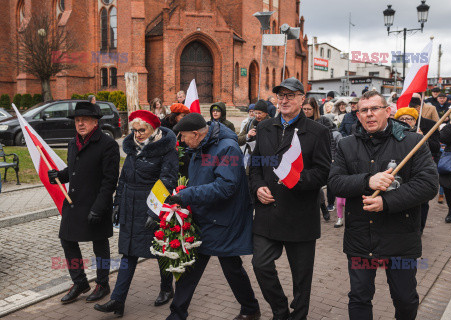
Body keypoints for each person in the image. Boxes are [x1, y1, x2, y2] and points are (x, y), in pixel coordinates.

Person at [328, 91, 438, 320]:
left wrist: (386, 202)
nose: (369, 115)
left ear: (388, 111)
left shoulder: (412, 142)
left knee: (405, 299)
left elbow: (428, 185)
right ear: (357, 115)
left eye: (374, 109)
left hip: (400, 238)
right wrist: (367, 180)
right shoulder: (347, 145)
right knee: (359, 298)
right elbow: (335, 183)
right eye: (363, 110)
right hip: (361, 238)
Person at [165, 113, 261, 320]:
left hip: (223, 220)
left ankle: (250, 308)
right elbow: (200, 179)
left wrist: (187, 195)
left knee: (231, 268)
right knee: (190, 268)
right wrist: (184, 191)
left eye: (183, 136)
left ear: (196, 134)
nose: (181, 141)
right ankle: (177, 313)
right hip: (204, 216)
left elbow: (226, 187)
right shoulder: (200, 146)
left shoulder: (227, 148)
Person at [250, 77, 331, 320]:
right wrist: (258, 187)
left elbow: (324, 172)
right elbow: (254, 166)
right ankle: (280, 311)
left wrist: (297, 180)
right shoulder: (264, 127)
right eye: (280, 96)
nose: (284, 100)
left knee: (301, 279)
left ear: (301, 99)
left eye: (290, 95)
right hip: (268, 214)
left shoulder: (318, 132)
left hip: (300, 216)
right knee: (260, 264)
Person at [94, 110, 178, 316]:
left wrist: (154, 211)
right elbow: (123, 179)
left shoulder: (166, 150)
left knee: (159, 251)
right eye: (134, 130)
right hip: (130, 207)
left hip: (151, 206)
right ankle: (117, 300)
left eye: (142, 130)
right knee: (128, 253)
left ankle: (167, 288)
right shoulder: (132, 149)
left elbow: (167, 181)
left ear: (153, 129)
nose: (138, 134)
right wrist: (117, 205)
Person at [47, 102, 120, 304]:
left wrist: (99, 208)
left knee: (100, 245)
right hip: (73, 203)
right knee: (67, 240)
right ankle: (79, 282)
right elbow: (74, 170)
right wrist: (59, 176)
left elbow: (109, 181)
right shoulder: (73, 143)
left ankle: (103, 284)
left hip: (97, 204)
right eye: (77, 120)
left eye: (84, 120)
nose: (80, 124)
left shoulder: (108, 145)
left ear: (95, 122)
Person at [395, 107, 440, 233]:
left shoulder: (422, 135)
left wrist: (423, 139)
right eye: (402, 119)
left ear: (415, 121)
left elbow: (435, 148)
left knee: (422, 202)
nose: (406, 121)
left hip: (418, 173)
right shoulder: (394, 135)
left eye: (409, 119)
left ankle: (419, 228)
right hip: (402, 174)